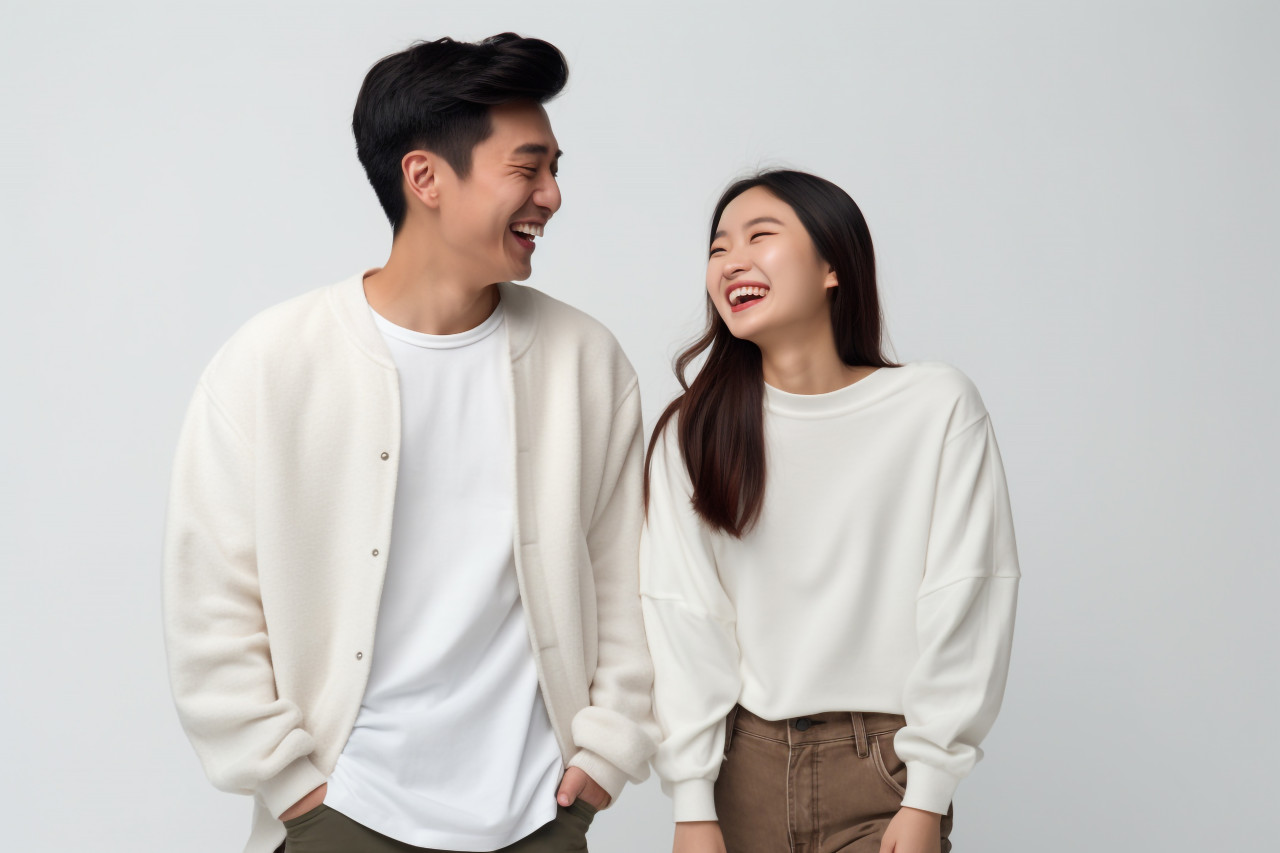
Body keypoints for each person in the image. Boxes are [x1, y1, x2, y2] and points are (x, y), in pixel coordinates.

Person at [163, 33, 655, 853]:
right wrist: (297, 789)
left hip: (538, 812)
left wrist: (604, 758)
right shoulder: (273, 361)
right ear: (425, 176)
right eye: (527, 168)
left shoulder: (584, 362)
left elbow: (632, 580)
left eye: (555, 168)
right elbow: (209, 604)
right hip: (345, 814)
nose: (553, 195)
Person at [640, 169, 1021, 853]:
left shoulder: (935, 407)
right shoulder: (696, 431)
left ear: (833, 267)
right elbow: (685, 618)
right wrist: (692, 805)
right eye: (718, 247)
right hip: (742, 769)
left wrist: (927, 792)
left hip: (883, 767)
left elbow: (965, 595)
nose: (731, 261)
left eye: (761, 236)